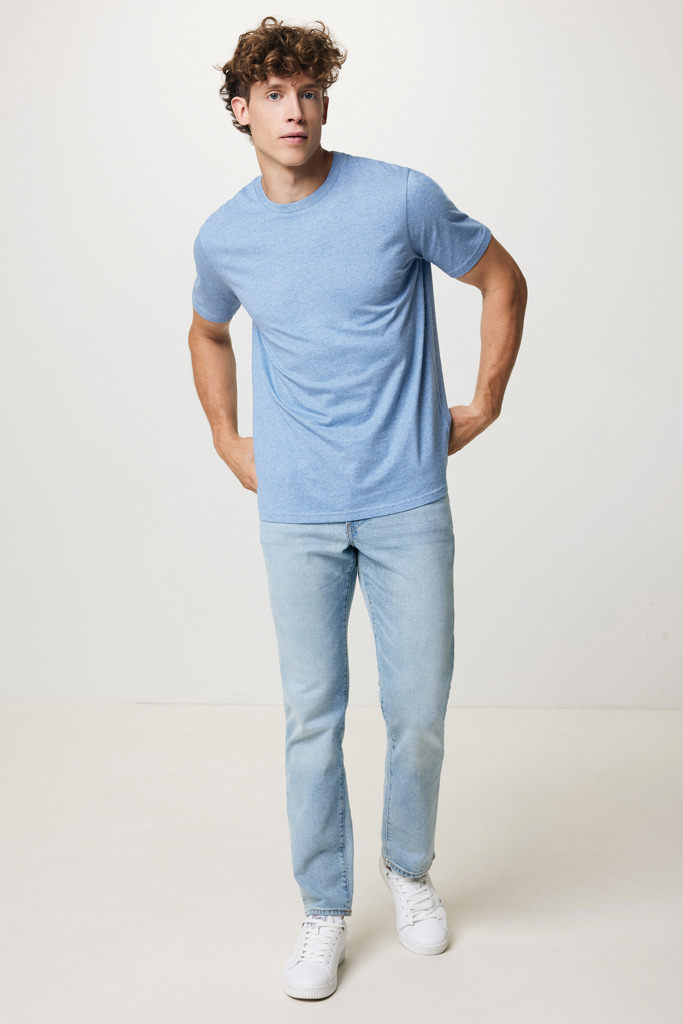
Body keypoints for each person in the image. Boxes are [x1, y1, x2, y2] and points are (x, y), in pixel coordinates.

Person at [188, 15, 527, 1001]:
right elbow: (206, 331)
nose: (293, 110)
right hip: (295, 510)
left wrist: (484, 402)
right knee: (312, 717)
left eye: (308, 91)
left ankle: (409, 871)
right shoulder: (224, 234)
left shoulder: (400, 197)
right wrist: (226, 437)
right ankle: (324, 905)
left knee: (416, 710)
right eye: (273, 94)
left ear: (325, 102)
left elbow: (500, 279)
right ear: (240, 110)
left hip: (403, 496)